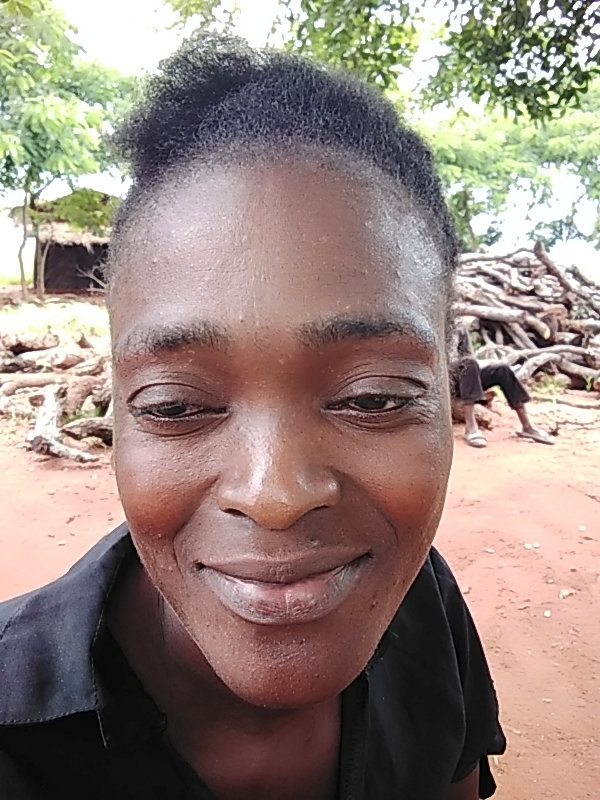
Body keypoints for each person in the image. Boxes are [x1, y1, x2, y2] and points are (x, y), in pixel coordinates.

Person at [0, 35, 506, 800]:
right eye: (176, 406)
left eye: (372, 397)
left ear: (447, 390)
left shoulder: (426, 605)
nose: (274, 496)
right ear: (120, 414)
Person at [454, 322, 554, 448]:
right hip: (443, 382)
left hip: (464, 377)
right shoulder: (433, 326)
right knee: (468, 364)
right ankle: (471, 427)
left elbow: (468, 355)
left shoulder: (458, 325)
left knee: (501, 369)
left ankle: (527, 426)